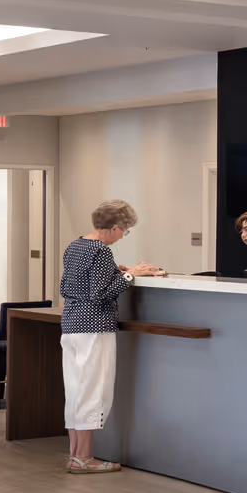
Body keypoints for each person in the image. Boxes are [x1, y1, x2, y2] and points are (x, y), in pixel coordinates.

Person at [59, 200, 162, 475]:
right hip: (94, 328)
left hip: (71, 325)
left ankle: (75, 456)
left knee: (75, 392)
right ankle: (85, 458)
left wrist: (119, 272)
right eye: (124, 231)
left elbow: (69, 285)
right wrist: (130, 274)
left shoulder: (76, 245)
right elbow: (101, 294)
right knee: (94, 391)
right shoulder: (100, 251)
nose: (122, 236)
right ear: (115, 228)